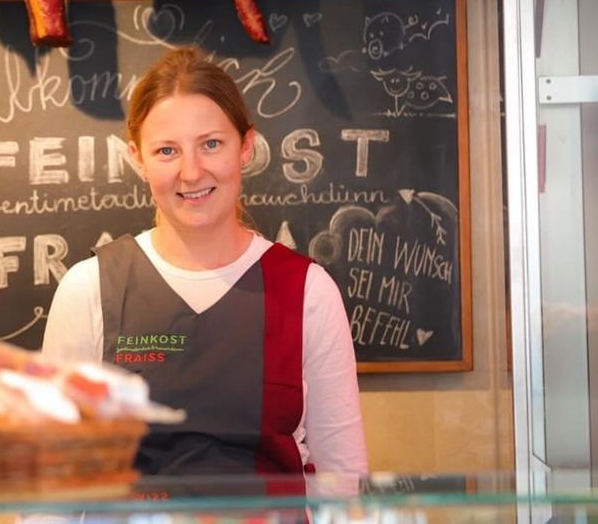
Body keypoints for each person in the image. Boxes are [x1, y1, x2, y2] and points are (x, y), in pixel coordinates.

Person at [42, 45, 367, 477]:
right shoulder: (88, 289)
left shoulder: (308, 290)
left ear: (246, 147)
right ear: (137, 158)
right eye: (166, 151)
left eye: (211, 144)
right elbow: (55, 474)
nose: (191, 172)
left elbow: (341, 471)